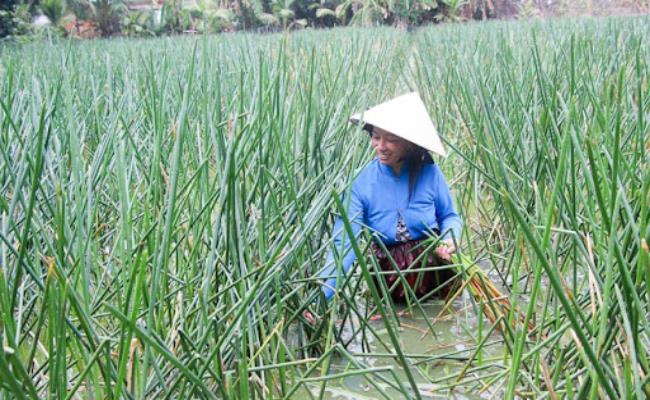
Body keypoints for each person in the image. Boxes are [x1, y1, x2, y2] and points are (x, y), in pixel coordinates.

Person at [318, 92, 462, 303]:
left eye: (391, 139)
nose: (381, 146)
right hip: (389, 276)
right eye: (376, 137)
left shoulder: (430, 173)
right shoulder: (359, 183)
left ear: (409, 143)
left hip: (436, 270)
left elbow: (449, 216)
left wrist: (450, 239)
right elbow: (344, 244)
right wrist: (322, 297)